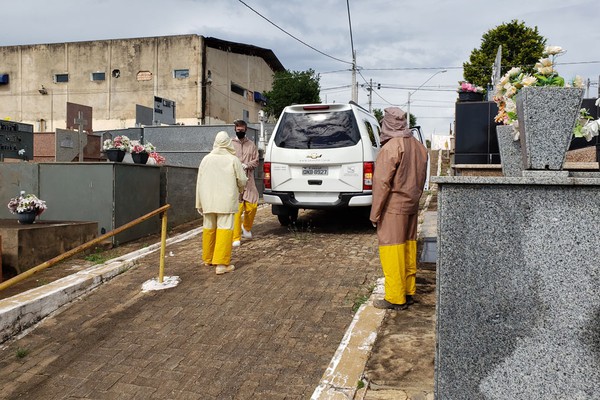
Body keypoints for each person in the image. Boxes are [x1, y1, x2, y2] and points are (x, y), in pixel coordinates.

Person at [370, 107, 428, 310]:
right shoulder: (419, 147)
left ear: (386, 123)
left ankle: (395, 297)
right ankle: (408, 290)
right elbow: (421, 179)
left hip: (393, 207)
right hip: (412, 204)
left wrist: (375, 212)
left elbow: (381, 183)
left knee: (392, 250)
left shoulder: (391, 147)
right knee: (408, 247)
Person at [196, 131, 248, 275]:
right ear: (228, 143)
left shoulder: (205, 159)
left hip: (208, 201)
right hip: (225, 201)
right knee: (225, 229)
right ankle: (221, 264)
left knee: (208, 228)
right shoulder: (233, 160)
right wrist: (240, 188)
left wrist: (199, 202)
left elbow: (199, 183)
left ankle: (208, 258)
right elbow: (242, 180)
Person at [231, 119, 259, 247]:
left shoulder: (251, 145)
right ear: (235, 130)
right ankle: (236, 237)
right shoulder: (230, 144)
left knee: (252, 205)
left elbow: (256, 161)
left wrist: (246, 165)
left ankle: (246, 227)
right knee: (237, 209)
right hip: (234, 181)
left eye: (242, 130)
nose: (240, 131)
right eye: (238, 130)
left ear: (246, 130)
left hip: (248, 179)